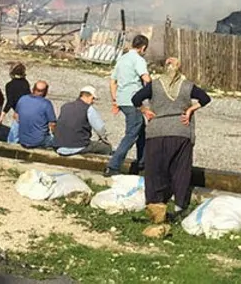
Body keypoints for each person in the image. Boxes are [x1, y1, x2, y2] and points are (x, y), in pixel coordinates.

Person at [131, 58, 211, 224]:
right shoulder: (187, 85)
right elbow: (205, 98)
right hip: (180, 130)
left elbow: (135, 99)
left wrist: (145, 110)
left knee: (155, 169)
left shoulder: (154, 85)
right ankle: (179, 206)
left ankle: (155, 204)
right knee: (180, 170)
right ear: (179, 68)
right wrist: (189, 109)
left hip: (157, 131)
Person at [106, 35, 152, 176]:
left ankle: (143, 163)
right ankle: (113, 166)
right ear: (143, 47)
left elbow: (112, 81)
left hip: (122, 99)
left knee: (141, 132)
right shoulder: (138, 60)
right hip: (133, 100)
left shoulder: (122, 58)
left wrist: (115, 100)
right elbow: (147, 79)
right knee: (132, 133)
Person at [55, 86, 112, 157]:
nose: (93, 102)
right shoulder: (88, 109)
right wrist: (104, 138)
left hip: (60, 146)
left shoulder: (65, 106)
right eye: (93, 98)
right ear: (87, 96)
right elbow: (100, 128)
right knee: (106, 148)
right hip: (78, 146)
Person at [15, 80, 57, 149]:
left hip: (23, 139)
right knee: (60, 140)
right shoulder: (46, 104)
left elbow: (16, 116)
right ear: (45, 92)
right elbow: (52, 124)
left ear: (33, 89)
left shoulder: (22, 99)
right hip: (38, 141)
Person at [0, 63, 31, 132]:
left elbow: (10, 101)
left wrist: (2, 115)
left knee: (13, 137)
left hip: (19, 113)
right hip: (29, 111)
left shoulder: (9, 85)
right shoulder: (25, 83)